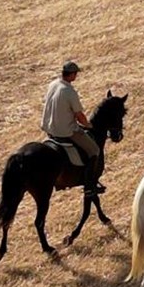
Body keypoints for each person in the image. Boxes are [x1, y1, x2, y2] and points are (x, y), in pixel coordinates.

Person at [42, 60, 105, 196]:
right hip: (65, 131)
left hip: (50, 128)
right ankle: (90, 185)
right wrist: (88, 125)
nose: (76, 77)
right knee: (94, 150)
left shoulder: (53, 84)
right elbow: (79, 115)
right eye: (75, 74)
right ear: (71, 75)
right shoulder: (69, 91)